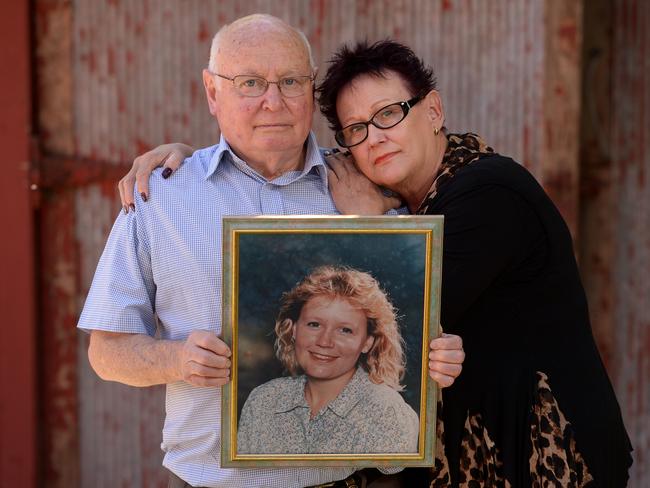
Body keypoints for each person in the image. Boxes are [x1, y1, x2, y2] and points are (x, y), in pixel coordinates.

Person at [126, 39, 634, 487]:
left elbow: (411, 312)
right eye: (356, 129)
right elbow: (259, 159)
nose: (376, 137)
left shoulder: (489, 193)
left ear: (433, 110)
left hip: (544, 450)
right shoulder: (413, 198)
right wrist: (193, 161)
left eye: (390, 113)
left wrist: (367, 218)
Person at [81, 15, 465, 488]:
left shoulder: (363, 185)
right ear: (212, 92)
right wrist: (176, 360)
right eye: (249, 83)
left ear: (310, 89)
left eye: (290, 81)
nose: (273, 101)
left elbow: (420, 328)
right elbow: (106, 351)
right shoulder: (160, 196)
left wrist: (439, 355)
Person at [238, 265, 419, 455]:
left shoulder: (387, 412)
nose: (324, 342)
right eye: (314, 325)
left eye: (345, 330)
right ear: (293, 330)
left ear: (367, 343)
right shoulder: (264, 399)